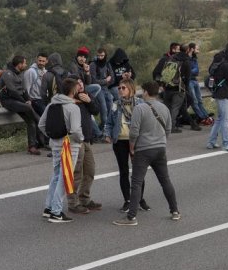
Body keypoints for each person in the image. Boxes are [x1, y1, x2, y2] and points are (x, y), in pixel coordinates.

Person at [113, 81, 180, 226]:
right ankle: (174, 210)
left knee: (136, 182)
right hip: (160, 148)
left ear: (145, 92)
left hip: (143, 149)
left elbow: (134, 131)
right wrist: (161, 140)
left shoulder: (140, 108)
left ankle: (131, 217)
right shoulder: (164, 107)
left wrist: (132, 147)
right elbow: (168, 128)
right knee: (165, 180)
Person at [39, 77, 84, 223]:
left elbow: (41, 125)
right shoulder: (73, 108)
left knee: (57, 175)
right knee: (65, 177)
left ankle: (48, 208)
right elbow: (75, 130)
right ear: (73, 90)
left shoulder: (51, 105)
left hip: (55, 145)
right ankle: (56, 212)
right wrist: (81, 139)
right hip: (70, 146)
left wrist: (53, 136)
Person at [104, 79, 151, 213]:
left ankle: (140, 199)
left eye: (123, 88)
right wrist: (107, 134)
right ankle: (127, 200)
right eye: (119, 88)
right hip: (120, 141)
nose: (120, 90)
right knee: (123, 171)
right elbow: (109, 122)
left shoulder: (140, 104)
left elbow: (147, 121)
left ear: (131, 89)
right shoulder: (115, 104)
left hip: (136, 141)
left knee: (138, 172)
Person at [66, 77, 101, 215]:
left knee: (90, 171)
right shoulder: (70, 100)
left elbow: (96, 111)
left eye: (81, 82)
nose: (80, 85)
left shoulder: (87, 95)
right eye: (77, 83)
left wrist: (89, 101)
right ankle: (73, 203)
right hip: (75, 140)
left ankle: (84, 199)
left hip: (86, 140)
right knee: (77, 173)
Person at [0, 55, 42, 155]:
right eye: (24, 63)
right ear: (19, 64)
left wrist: (28, 99)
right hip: (7, 100)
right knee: (28, 108)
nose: (26, 65)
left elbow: (24, 90)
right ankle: (40, 121)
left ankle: (32, 147)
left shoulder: (20, 74)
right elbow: (12, 91)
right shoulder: (7, 73)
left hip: (17, 100)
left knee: (30, 121)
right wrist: (24, 102)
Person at [207, 44, 228, 152]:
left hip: (219, 93)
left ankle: (211, 142)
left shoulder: (221, 62)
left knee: (220, 119)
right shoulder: (226, 66)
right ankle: (226, 144)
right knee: (225, 120)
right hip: (224, 94)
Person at [186, 43, 212, 125]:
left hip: (195, 80)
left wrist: (191, 71)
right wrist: (192, 71)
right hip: (189, 81)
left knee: (199, 101)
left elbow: (197, 71)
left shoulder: (194, 59)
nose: (199, 51)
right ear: (192, 49)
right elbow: (187, 72)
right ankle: (202, 118)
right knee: (194, 101)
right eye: (197, 49)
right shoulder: (186, 59)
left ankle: (206, 116)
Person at [23, 52, 48, 116]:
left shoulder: (46, 72)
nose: (41, 63)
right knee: (46, 116)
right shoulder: (31, 71)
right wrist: (28, 100)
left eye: (43, 61)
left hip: (44, 100)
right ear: (36, 60)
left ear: (46, 61)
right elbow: (26, 88)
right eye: (40, 60)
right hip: (35, 100)